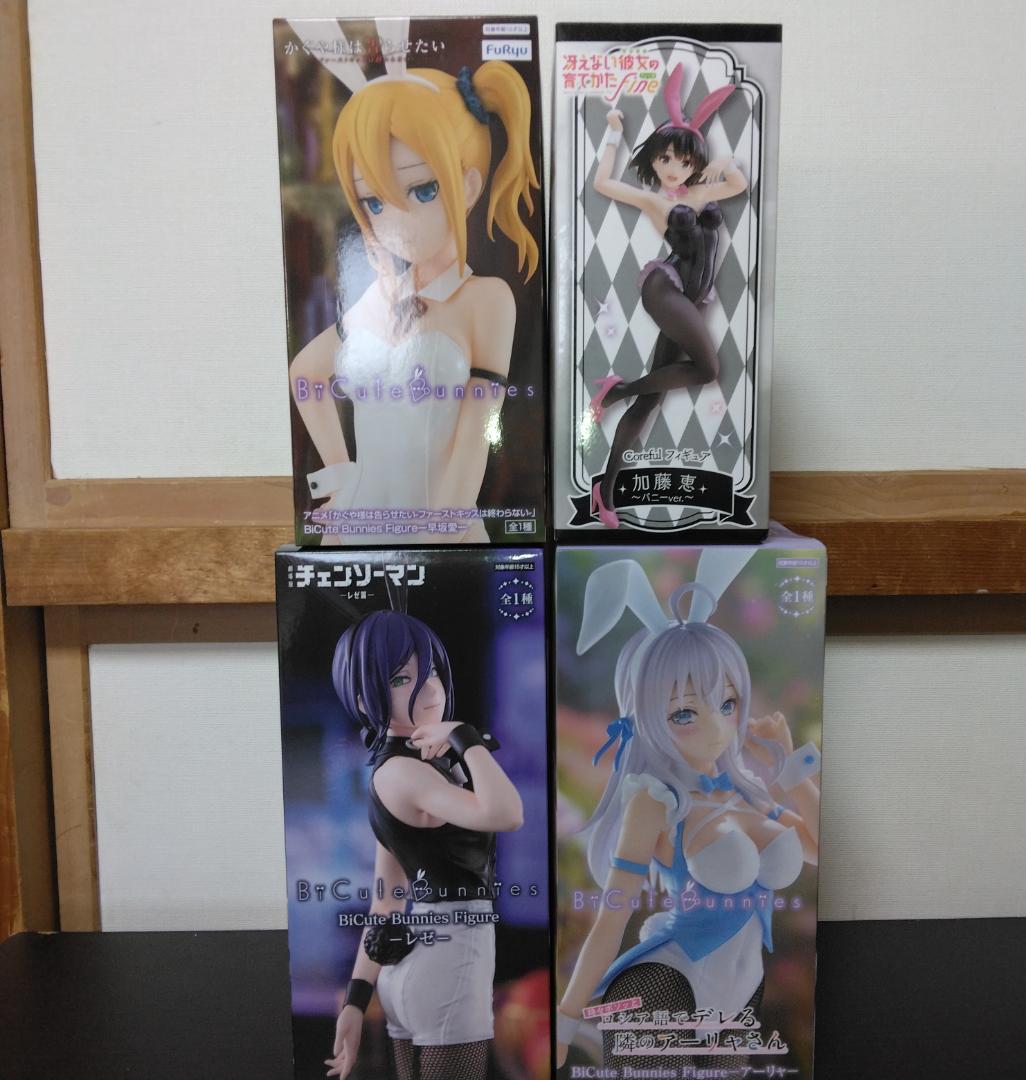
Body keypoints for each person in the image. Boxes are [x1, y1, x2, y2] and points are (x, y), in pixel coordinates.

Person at [555, 552, 821, 1071]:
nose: (718, 728)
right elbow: (611, 919)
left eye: (728, 703)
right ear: (650, 718)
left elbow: (821, 850)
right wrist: (565, 1019)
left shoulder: (746, 791)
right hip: (662, 987)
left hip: (739, 994)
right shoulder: (655, 801)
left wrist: (792, 768)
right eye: (684, 713)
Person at [290, 57, 539, 543]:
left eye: (422, 190)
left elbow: (475, 438)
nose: (395, 221)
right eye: (374, 203)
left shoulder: (486, 300)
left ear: (468, 185)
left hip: (444, 537)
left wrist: (437, 539)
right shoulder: (377, 296)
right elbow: (305, 374)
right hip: (359, 527)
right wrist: (340, 481)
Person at [326, 609, 523, 1080]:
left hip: (416, 967)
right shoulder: (404, 772)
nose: (430, 689)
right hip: (451, 961)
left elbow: (386, 900)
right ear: (364, 698)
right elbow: (508, 813)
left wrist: (355, 1000)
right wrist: (465, 737)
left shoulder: (400, 769)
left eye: (431, 671)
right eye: (402, 679)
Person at [586, 64, 748, 527]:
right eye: (666, 160)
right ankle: (617, 391)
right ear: (654, 160)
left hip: (689, 300)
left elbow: (738, 184)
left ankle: (605, 492)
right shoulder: (656, 200)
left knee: (652, 398)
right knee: (708, 369)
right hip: (665, 288)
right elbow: (602, 184)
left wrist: (723, 161)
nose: (674, 169)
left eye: (684, 162)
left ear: (694, 164)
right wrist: (613, 133)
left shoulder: (702, 192)